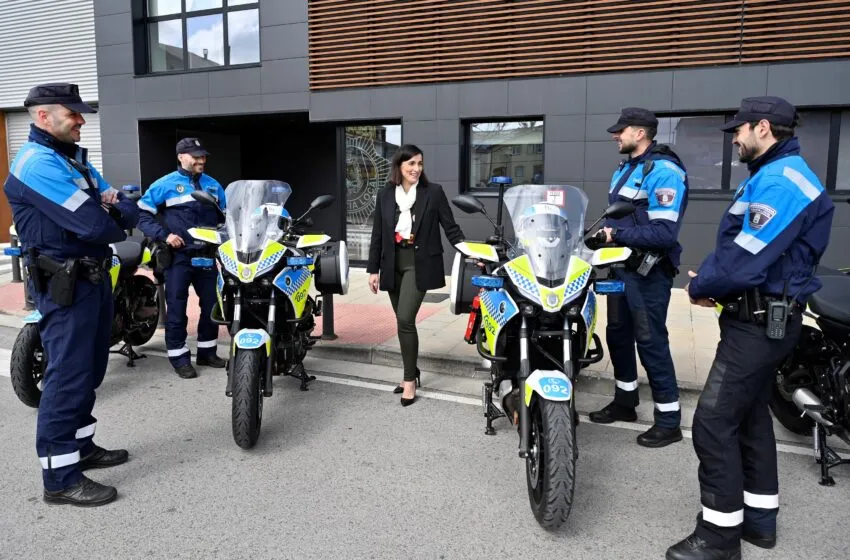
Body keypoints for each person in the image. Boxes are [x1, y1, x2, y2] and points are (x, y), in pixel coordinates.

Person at [666, 96, 835, 560]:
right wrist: (714, 280)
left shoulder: (782, 180)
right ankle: (759, 522)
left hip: (759, 325)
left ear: (763, 128)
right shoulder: (771, 175)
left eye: (738, 131)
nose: (734, 139)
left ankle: (718, 537)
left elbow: (747, 257)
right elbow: (743, 247)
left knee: (713, 422)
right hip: (761, 318)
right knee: (750, 418)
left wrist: (708, 284)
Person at [5, 83, 139, 506]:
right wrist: (110, 208)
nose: (81, 119)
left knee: (91, 370)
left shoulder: (72, 159)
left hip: (93, 279)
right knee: (66, 377)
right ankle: (60, 478)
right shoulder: (36, 163)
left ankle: (81, 448)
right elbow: (97, 225)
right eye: (73, 113)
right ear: (43, 116)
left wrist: (111, 207)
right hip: (65, 284)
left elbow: (123, 207)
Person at [586, 107, 689, 448]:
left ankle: (669, 420)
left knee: (651, 342)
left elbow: (663, 233)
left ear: (641, 133)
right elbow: (625, 220)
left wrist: (614, 236)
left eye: (622, 131)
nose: (616, 135)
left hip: (648, 273)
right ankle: (625, 402)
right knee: (618, 336)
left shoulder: (664, 171)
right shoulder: (626, 169)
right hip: (621, 269)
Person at [367, 144, 465, 406]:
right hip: (391, 264)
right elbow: (378, 234)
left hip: (418, 264)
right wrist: (372, 269)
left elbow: (450, 227)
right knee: (402, 323)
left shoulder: (433, 192)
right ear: (399, 166)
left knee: (405, 318)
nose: (416, 169)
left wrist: (469, 252)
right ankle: (413, 371)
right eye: (411, 164)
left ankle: (409, 380)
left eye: (419, 163)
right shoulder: (385, 195)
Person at [137, 138, 227, 379]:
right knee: (176, 308)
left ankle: (208, 352)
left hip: (206, 256)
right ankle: (179, 357)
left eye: (203, 156)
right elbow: (142, 216)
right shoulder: (164, 185)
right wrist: (164, 236)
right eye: (195, 156)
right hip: (178, 257)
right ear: (181, 157)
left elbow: (226, 218)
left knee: (212, 305)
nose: (201, 160)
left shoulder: (214, 186)